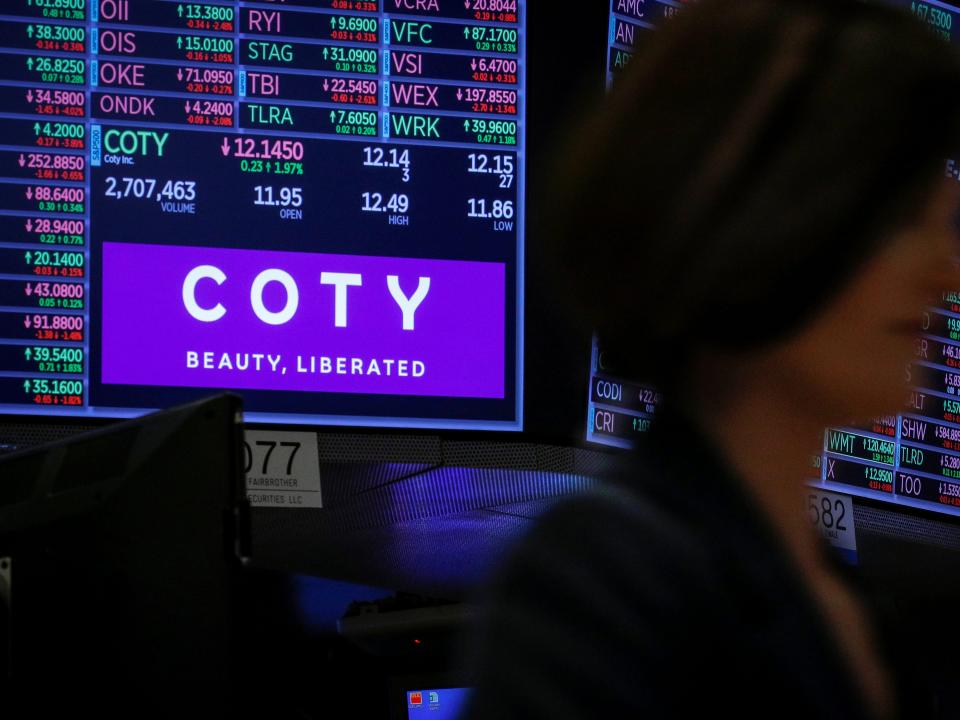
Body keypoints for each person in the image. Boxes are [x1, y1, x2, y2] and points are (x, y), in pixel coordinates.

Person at [462, 1, 960, 717]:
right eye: (907, 220)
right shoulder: (606, 576)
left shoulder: (853, 610)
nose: (947, 272)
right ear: (760, 225)